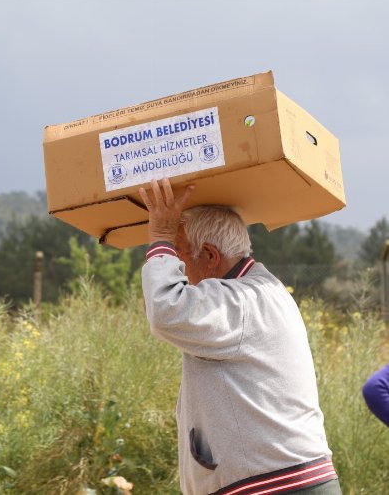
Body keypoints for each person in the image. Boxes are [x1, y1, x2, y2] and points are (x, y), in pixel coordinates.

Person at [138, 178, 341, 495]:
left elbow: (166, 311)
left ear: (209, 256)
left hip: (274, 487)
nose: (178, 269)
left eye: (178, 257)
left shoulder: (241, 301)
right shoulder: (259, 292)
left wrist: (161, 237)